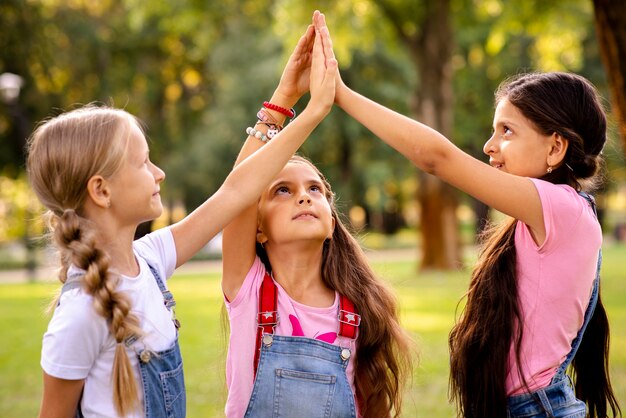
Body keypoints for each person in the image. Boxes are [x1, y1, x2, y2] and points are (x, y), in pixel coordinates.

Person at [315, 13, 622, 418]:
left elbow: (437, 159)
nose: (489, 145)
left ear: (555, 148)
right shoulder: (544, 217)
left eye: (507, 132)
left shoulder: (562, 209)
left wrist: (341, 95)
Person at [28, 19, 336, 418]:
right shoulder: (81, 313)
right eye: (143, 163)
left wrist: (282, 101)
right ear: (101, 191)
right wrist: (312, 114)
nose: (159, 173)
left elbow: (236, 192)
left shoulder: (153, 258)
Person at [220, 11, 413, 418]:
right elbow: (238, 188)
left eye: (315, 190)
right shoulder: (249, 290)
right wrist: (284, 99)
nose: (304, 198)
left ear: (331, 222)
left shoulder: (359, 311)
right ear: (257, 228)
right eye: (282, 191)